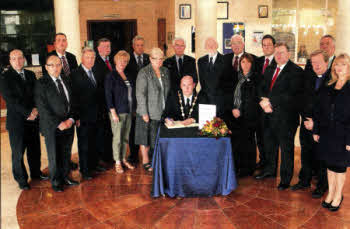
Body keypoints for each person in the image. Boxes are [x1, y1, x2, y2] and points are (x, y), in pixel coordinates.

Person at [255, 43, 304, 191]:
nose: (278, 56)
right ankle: (270, 171)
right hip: (268, 114)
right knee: (270, 146)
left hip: (286, 118)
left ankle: (285, 179)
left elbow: (291, 95)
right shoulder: (270, 69)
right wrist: (262, 101)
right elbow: (261, 87)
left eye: (281, 53)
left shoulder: (296, 71)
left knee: (286, 149)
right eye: (276, 53)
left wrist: (270, 102)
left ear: (288, 53)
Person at [1, 49, 48, 190]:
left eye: (20, 58)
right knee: (18, 152)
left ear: (24, 59)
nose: (18, 61)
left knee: (35, 149)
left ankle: (36, 173)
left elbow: (37, 94)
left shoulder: (30, 74)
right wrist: (28, 112)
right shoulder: (4, 77)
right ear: (10, 61)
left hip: (33, 119)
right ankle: (21, 179)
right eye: (14, 59)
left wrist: (36, 109)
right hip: (17, 121)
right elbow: (11, 100)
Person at [35, 55, 79, 192]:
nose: (55, 68)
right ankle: (56, 182)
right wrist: (59, 123)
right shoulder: (41, 83)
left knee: (66, 153)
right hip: (52, 127)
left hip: (68, 124)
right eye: (52, 65)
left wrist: (71, 119)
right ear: (46, 67)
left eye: (58, 64)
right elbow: (43, 108)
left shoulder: (66, 79)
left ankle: (66, 177)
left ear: (61, 65)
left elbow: (74, 102)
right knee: (54, 155)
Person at [313, 53, 350, 211]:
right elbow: (319, 110)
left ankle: (338, 195)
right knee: (330, 165)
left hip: (343, 134)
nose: (339, 67)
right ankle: (331, 193)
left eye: (343, 64)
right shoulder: (328, 85)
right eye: (337, 64)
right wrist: (316, 130)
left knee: (340, 166)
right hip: (328, 133)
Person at [291, 50, 330, 197]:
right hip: (307, 123)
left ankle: (322, 185)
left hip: (321, 127)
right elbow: (301, 99)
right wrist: (306, 118)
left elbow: (329, 107)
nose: (316, 65)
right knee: (305, 153)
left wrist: (316, 122)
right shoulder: (309, 78)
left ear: (326, 62)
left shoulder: (332, 80)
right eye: (313, 62)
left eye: (319, 62)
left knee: (321, 157)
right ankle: (304, 180)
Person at [42, 32, 79, 170]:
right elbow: (47, 85)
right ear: (55, 43)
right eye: (59, 40)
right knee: (56, 147)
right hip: (56, 106)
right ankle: (59, 172)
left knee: (67, 143)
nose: (62, 43)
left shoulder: (72, 58)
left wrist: (74, 114)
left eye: (64, 40)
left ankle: (66, 164)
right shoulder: (48, 58)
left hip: (69, 102)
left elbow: (74, 80)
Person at [70, 47, 107, 181]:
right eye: (88, 57)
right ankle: (85, 170)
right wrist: (76, 116)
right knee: (84, 144)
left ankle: (94, 165)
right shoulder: (74, 74)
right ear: (82, 58)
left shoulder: (96, 72)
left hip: (97, 115)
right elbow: (73, 98)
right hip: (83, 117)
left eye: (93, 58)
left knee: (96, 142)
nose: (90, 60)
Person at [135, 47, 171, 172]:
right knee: (145, 137)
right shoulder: (144, 72)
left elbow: (168, 91)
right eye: (157, 59)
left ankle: (156, 159)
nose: (160, 62)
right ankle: (145, 160)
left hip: (161, 110)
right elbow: (140, 94)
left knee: (156, 137)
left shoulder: (165, 71)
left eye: (162, 59)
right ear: (150, 59)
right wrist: (144, 113)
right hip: (147, 111)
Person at [105, 50, 136, 174]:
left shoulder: (128, 74)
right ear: (116, 61)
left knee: (125, 137)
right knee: (117, 138)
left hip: (128, 111)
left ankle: (123, 158)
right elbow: (108, 95)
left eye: (125, 61)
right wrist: (113, 112)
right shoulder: (111, 76)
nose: (123, 63)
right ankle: (117, 162)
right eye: (120, 60)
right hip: (117, 112)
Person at [230, 53, 260, 177]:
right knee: (237, 142)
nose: (245, 65)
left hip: (248, 115)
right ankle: (238, 167)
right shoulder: (237, 77)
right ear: (240, 64)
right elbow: (231, 95)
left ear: (251, 64)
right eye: (243, 62)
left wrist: (240, 110)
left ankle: (248, 169)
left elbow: (252, 98)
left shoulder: (255, 78)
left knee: (249, 142)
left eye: (248, 62)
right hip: (235, 114)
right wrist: (233, 109)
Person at [125, 35, 150, 166]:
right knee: (133, 128)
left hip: (147, 99)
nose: (140, 47)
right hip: (133, 99)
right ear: (133, 46)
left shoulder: (148, 58)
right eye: (138, 45)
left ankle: (148, 154)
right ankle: (133, 155)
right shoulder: (127, 59)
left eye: (142, 45)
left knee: (146, 127)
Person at [255, 34, 277, 170]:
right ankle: (263, 161)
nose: (266, 47)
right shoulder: (258, 61)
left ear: (274, 46)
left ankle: (271, 166)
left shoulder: (278, 62)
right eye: (264, 45)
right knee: (260, 137)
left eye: (269, 44)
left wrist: (268, 101)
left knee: (271, 139)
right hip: (258, 107)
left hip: (271, 108)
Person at [92, 37, 114, 164]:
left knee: (108, 131)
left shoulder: (109, 61)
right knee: (102, 132)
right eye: (105, 46)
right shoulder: (95, 62)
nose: (108, 49)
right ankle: (102, 158)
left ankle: (108, 155)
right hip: (101, 104)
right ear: (98, 48)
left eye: (109, 46)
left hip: (109, 103)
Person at [197, 37, 225, 117]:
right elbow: (202, 81)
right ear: (205, 47)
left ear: (217, 45)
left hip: (219, 101)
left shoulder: (225, 60)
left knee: (218, 126)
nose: (210, 46)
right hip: (204, 100)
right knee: (205, 126)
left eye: (213, 44)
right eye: (208, 45)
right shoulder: (201, 61)